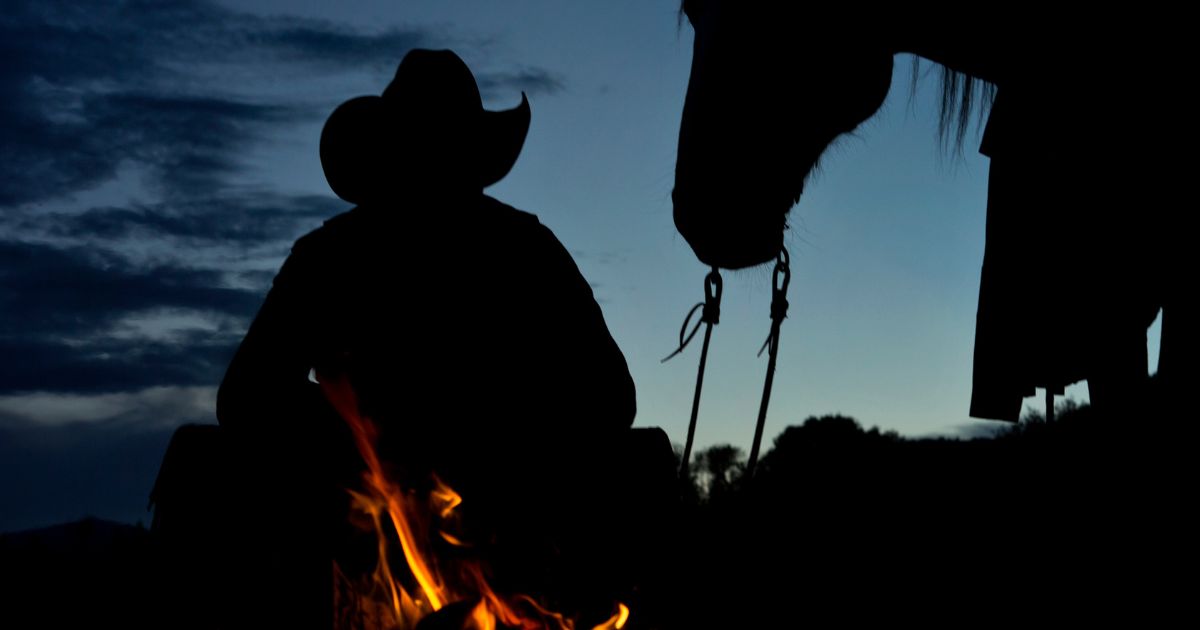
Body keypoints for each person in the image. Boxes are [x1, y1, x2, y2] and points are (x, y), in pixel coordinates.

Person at [215, 49, 637, 619]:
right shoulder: (332, 258)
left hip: (512, 544)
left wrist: (498, 448)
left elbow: (610, 397)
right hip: (363, 542)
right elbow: (246, 397)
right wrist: (367, 449)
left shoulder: (522, 251)